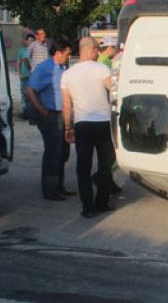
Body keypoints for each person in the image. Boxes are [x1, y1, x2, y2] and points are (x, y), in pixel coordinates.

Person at [61, 38, 118, 218]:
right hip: (102, 123)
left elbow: (66, 106)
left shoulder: (67, 74)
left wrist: (67, 128)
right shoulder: (102, 69)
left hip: (81, 124)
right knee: (105, 164)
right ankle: (102, 202)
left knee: (83, 168)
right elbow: (114, 91)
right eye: (97, 49)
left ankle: (88, 207)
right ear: (92, 49)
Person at [25, 39, 75, 201]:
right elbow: (29, 90)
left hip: (62, 115)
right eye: (66, 54)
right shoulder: (44, 68)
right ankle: (50, 190)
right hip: (51, 115)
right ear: (58, 53)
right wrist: (42, 110)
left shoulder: (61, 68)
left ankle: (59, 187)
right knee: (53, 153)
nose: (68, 57)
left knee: (62, 153)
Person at [16, 33, 35, 118]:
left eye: (32, 41)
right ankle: (25, 112)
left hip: (33, 77)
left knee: (32, 95)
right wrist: (19, 73)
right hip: (24, 76)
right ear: (26, 41)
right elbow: (18, 62)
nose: (31, 42)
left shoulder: (36, 51)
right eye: (29, 40)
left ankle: (30, 112)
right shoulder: (21, 50)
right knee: (24, 94)